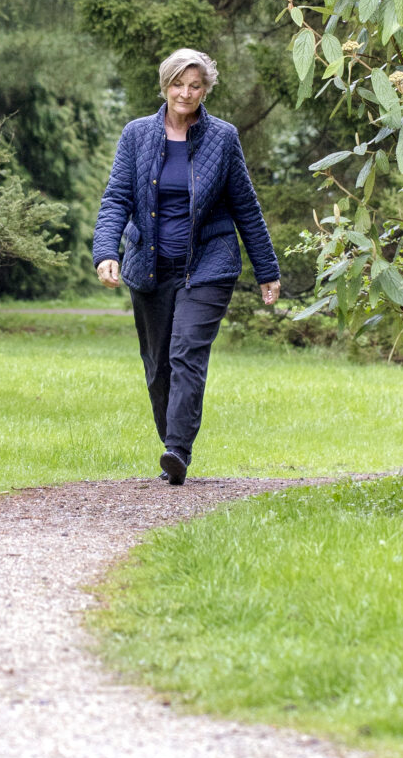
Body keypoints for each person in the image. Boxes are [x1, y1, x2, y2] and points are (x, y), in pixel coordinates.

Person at [92, 47, 282, 483]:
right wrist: (107, 251)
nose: (186, 92)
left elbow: (246, 209)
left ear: (206, 88)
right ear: (165, 85)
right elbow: (116, 197)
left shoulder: (223, 137)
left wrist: (267, 271)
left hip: (209, 265)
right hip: (150, 268)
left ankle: (177, 450)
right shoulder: (137, 134)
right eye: (178, 83)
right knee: (158, 364)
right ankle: (171, 441)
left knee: (186, 353)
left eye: (195, 85)